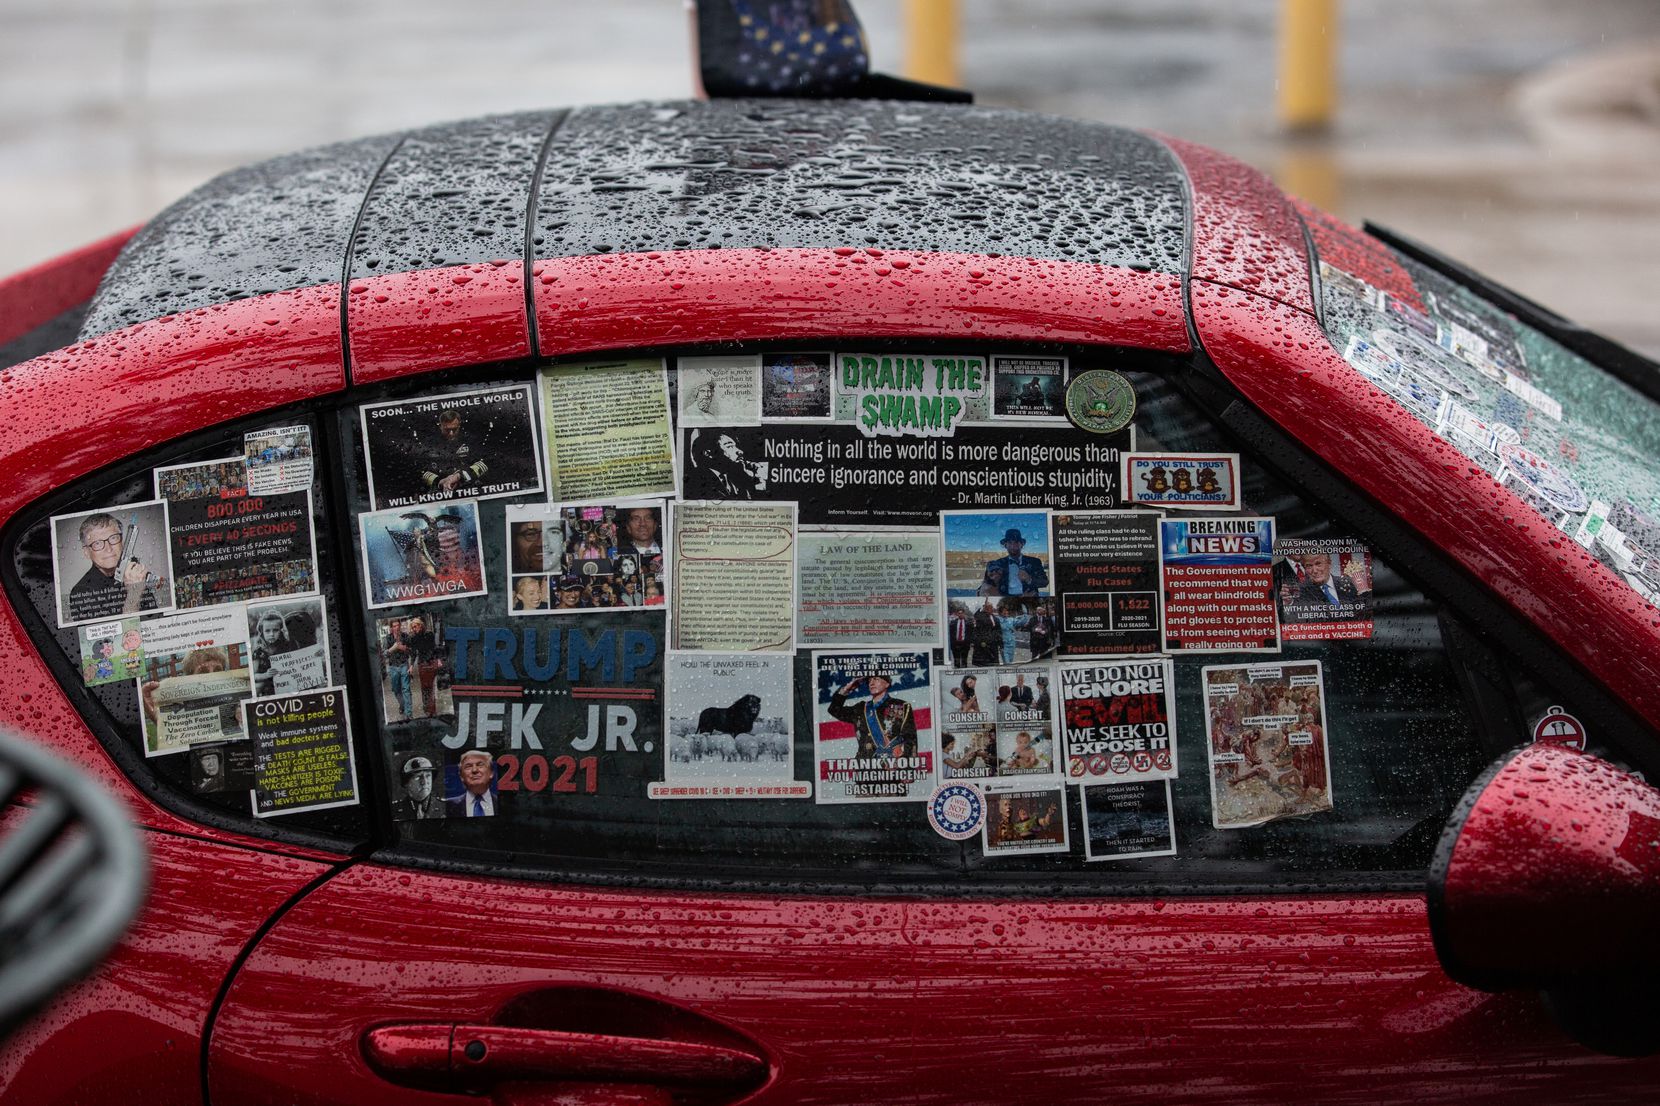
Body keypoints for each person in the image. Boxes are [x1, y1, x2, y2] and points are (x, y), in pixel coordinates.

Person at [67, 512, 158, 622]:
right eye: (97, 543)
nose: (109, 549)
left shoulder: (134, 575)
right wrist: (134, 593)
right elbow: (116, 638)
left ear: (122, 542)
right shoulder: (81, 593)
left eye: (113, 538)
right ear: (86, 552)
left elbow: (156, 620)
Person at [827, 670, 916, 759]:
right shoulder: (860, 709)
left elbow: (910, 740)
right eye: (869, 681)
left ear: (887, 684)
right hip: (865, 766)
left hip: (892, 767)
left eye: (876, 679)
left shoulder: (901, 706)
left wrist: (905, 765)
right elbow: (834, 709)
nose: (871, 683)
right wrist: (847, 689)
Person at [419, 408, 489, 497]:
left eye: (454, 429)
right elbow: (421, 470)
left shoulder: (470, 441)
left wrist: (460, 476)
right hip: (440, 492)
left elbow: (484, 464)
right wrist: (439, 482)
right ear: (440, 426)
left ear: (459, 425)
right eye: (447, 430)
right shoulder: (429, 444)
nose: (451, 433)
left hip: (470, 490)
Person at [1283, 552, 1367, 621]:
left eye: (1318, 564)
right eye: (1309, 566)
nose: (1314, 570)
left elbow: (1364, 613)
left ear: (1329, 564)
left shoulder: (1349, 583)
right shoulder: (1300, 591)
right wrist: (1288, 604)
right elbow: (1295, 619)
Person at [688, 429, 768, 499]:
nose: (740, 452)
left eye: (735, 446)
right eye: (729, 446)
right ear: (709, 453)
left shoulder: (735, 478)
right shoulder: (696, 481)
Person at [979, 528, 1048, 597]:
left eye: (1016, 542)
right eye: (1010, 543)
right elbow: (984, 587)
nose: (1013, 546)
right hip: (1006, 602)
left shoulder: (1034, 562)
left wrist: (1029, 579)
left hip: (1029, 601)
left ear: (1022, 544)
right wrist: (981, 592)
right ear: (1005, 545)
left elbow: (1045, 582)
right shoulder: (998, 564)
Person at [405, 615, 444, 717]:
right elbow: (413, 653)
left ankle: (432, 710)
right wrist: (411, 666)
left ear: (420, 625)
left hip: (431, 662)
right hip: (422, 664)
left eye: (415, 626)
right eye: (412, 627)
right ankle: (426, 708)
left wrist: (438, 659)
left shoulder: (429, 634)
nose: (414, 629)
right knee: (424, 688)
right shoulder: (413, 638)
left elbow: (435, 648)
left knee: (431, 687)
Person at [250, 609, 293, 696]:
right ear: (262, 632)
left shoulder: (287, 647)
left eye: (275, 630)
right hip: (267, 690)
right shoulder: (258, 652)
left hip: (286, 688)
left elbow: (301, 661)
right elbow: (253, 675)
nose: (271, 634)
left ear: (281, 631)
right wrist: (266, 675)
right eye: (267, 631)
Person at [445, 749, 496, 817]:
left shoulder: (505, 803)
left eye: (480, 765)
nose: (474, 770)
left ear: (491, 773)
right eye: (468, 766)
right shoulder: (447, 806)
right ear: (461, 776)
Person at [391, 755, 444, 820]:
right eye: (418, 777)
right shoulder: (394, 811)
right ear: (406, 783)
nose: (424, 782)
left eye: (428, 776)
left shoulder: (444, 807)